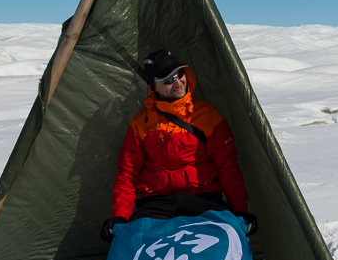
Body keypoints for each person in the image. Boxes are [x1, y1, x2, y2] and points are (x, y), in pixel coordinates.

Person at [100, 49, 257, 243]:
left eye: (179, 74)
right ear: (154, 87)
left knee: (229, 239)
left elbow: (228, 166)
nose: (177, 83)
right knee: (132, 243)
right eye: (167, 80)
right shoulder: (141, 122)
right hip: (156, 202)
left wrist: (240, 211)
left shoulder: (207, 115)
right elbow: (127, 172)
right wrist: (120, 218)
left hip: (203, 198)